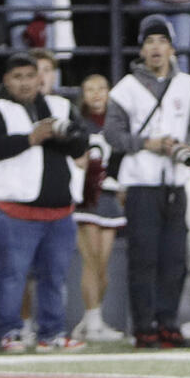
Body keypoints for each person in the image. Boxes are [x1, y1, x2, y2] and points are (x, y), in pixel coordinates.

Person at [105, 15, 190, 349]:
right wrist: (147, 144)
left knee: (174, 257)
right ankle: (144, 325)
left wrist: (186, 148)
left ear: (172, 48)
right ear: (142, 49)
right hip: (141, 180)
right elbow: (113, 134)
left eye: (161, 41)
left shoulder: (188, 84)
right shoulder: (126, 88)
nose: (156, 48)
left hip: (176, 180)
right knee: (144, 256)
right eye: (149, 42)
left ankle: (169, 321)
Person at [0, 53, 89, 352]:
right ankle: (8, 332)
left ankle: (51, 332)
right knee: (12, 276)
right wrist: (31, 138)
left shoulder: (61, 106)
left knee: (55, 277)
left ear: (39, 78)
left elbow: (82, 143)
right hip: (14, 210)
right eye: (18, 77)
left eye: (30, 76)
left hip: (58, 210)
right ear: (6, 81)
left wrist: (62, 136)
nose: (25, 83)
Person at [72, 73, 126, 342]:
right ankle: (93, 323)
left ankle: (91, 318)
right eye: (89, 89)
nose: (96, 94)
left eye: (101, 88)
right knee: (91, 262)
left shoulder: (117, 123)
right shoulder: (78, 122)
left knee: (102, 267)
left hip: (109, 196)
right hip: (86, 197)